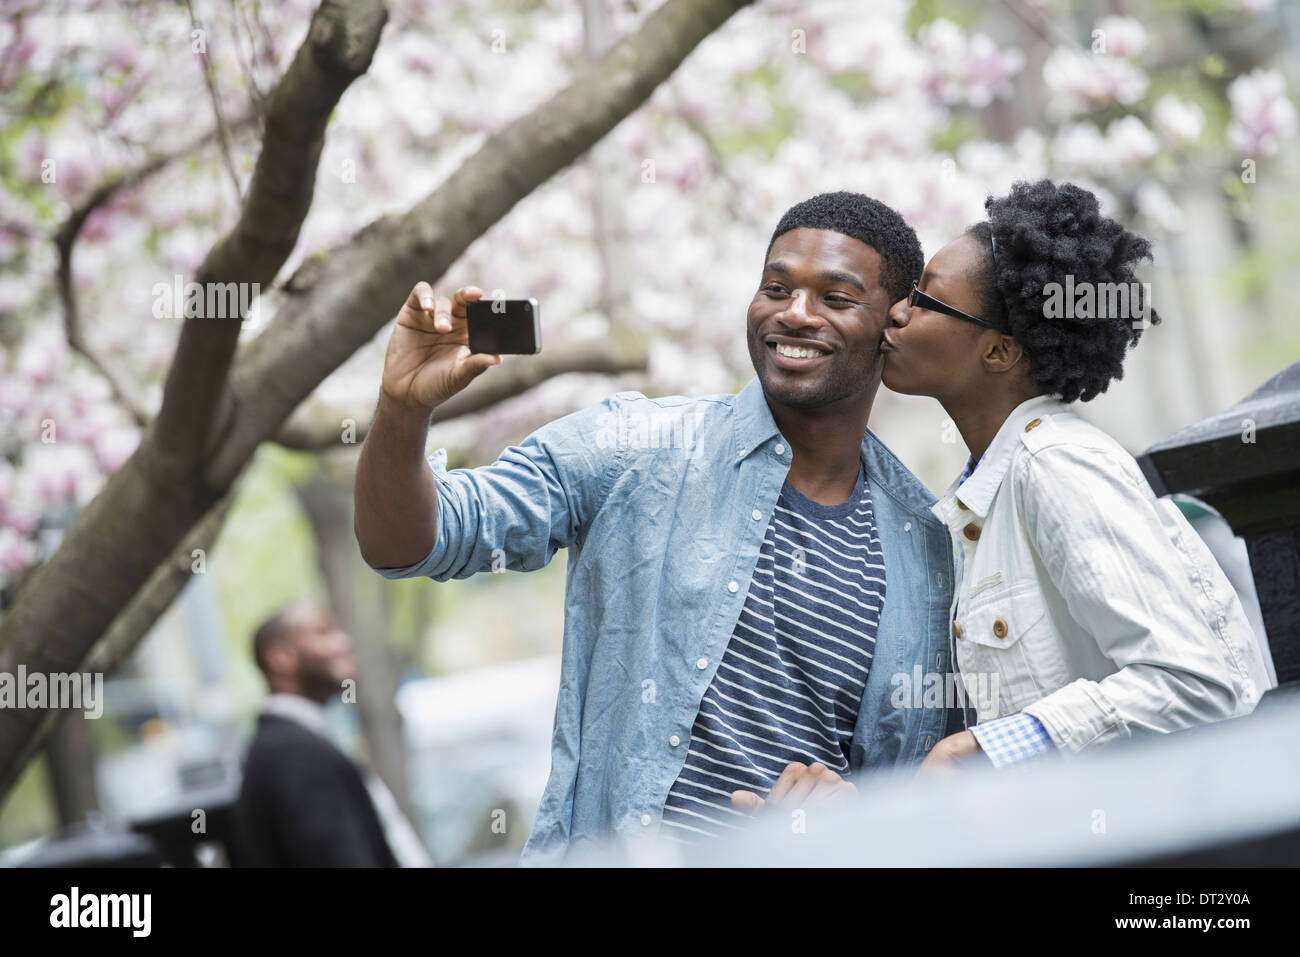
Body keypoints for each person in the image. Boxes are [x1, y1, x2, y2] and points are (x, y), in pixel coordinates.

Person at [354, 192, 957, 864]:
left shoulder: (928, 548)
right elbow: (407, 543)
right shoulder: (632, 446)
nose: (795, 312)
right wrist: (401, 411)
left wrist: (845, 814)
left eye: (836, 298)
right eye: (776, 287)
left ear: (893, 323)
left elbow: (927, 797)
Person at [876, 179, 1270, 776]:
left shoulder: (1056, 464)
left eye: (926, 300)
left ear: (1001, 352)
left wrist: (990, 747)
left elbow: (1195, 681)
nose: (898, 311)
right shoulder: (992, 488)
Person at [232, 602, 432, 867]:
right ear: (280, 657)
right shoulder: (292, 752)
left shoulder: (294, 742)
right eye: (323, 632)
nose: (344, 641)